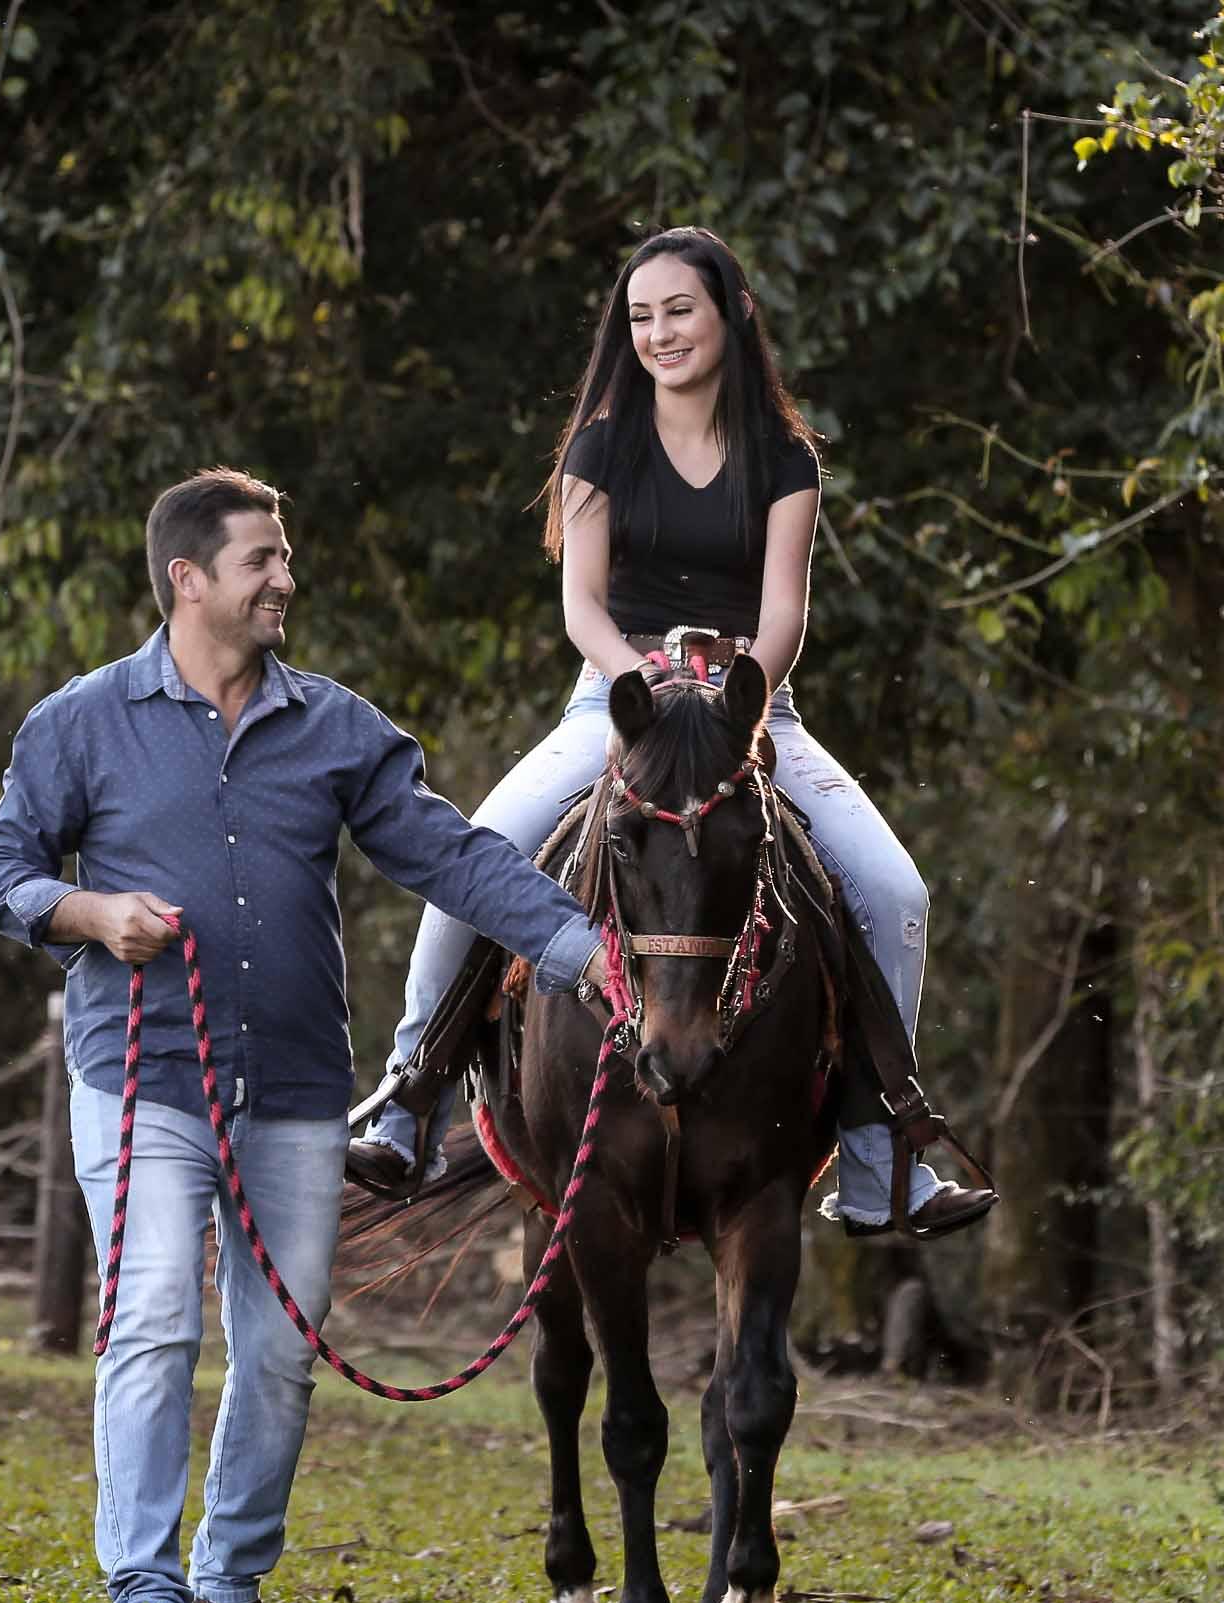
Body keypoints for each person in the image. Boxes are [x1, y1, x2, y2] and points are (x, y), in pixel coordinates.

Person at [0, 468, 608, 1603]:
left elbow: (449, 854)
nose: (284, 580)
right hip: (143, 1077)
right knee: (154, 1320)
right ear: (188, 579)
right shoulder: (80, 723)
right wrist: (89, 913)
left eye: (285, 558)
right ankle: (144, 1595)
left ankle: (229, 1580)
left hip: (299, 1087)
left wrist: (581, 949)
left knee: (280, 1351)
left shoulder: (336, 728)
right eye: (261, 560)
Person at [347, 225, 995, 1242]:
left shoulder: (786, 457)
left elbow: (783, 613)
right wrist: (636, 681)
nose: (659, 333)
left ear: (731, 313)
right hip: (619, 701)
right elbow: (581, 605)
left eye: (679, 310)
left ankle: (883, 1161)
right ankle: (408, 1097)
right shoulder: (602, 446)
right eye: (641, 316)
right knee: (481, 853)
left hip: (749, 705)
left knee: (893, 891)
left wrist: (741, 701)